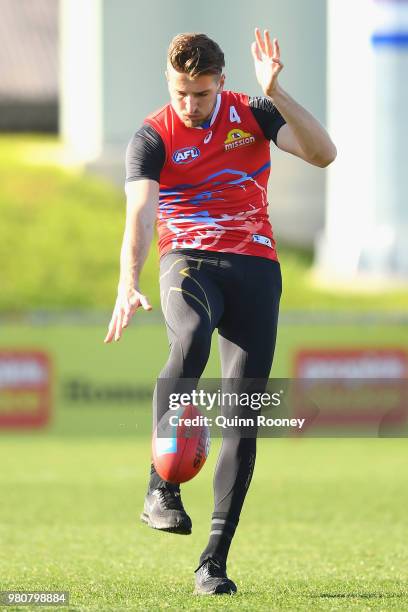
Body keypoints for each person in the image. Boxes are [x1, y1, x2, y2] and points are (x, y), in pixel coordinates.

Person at [104, 28, 336, 596]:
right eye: (181, 92)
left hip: (256, 269)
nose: (190, 104)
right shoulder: (151, 136)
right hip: (188, 262)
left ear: (221, 84)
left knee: (243, 415)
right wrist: (126, 283)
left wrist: (277, 91)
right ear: (169, 82)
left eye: (201, 94)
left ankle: (213, 561)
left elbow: (322, 153)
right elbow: (139, 214)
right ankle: (161, 487)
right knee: (189, 340)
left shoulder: (254, 113)